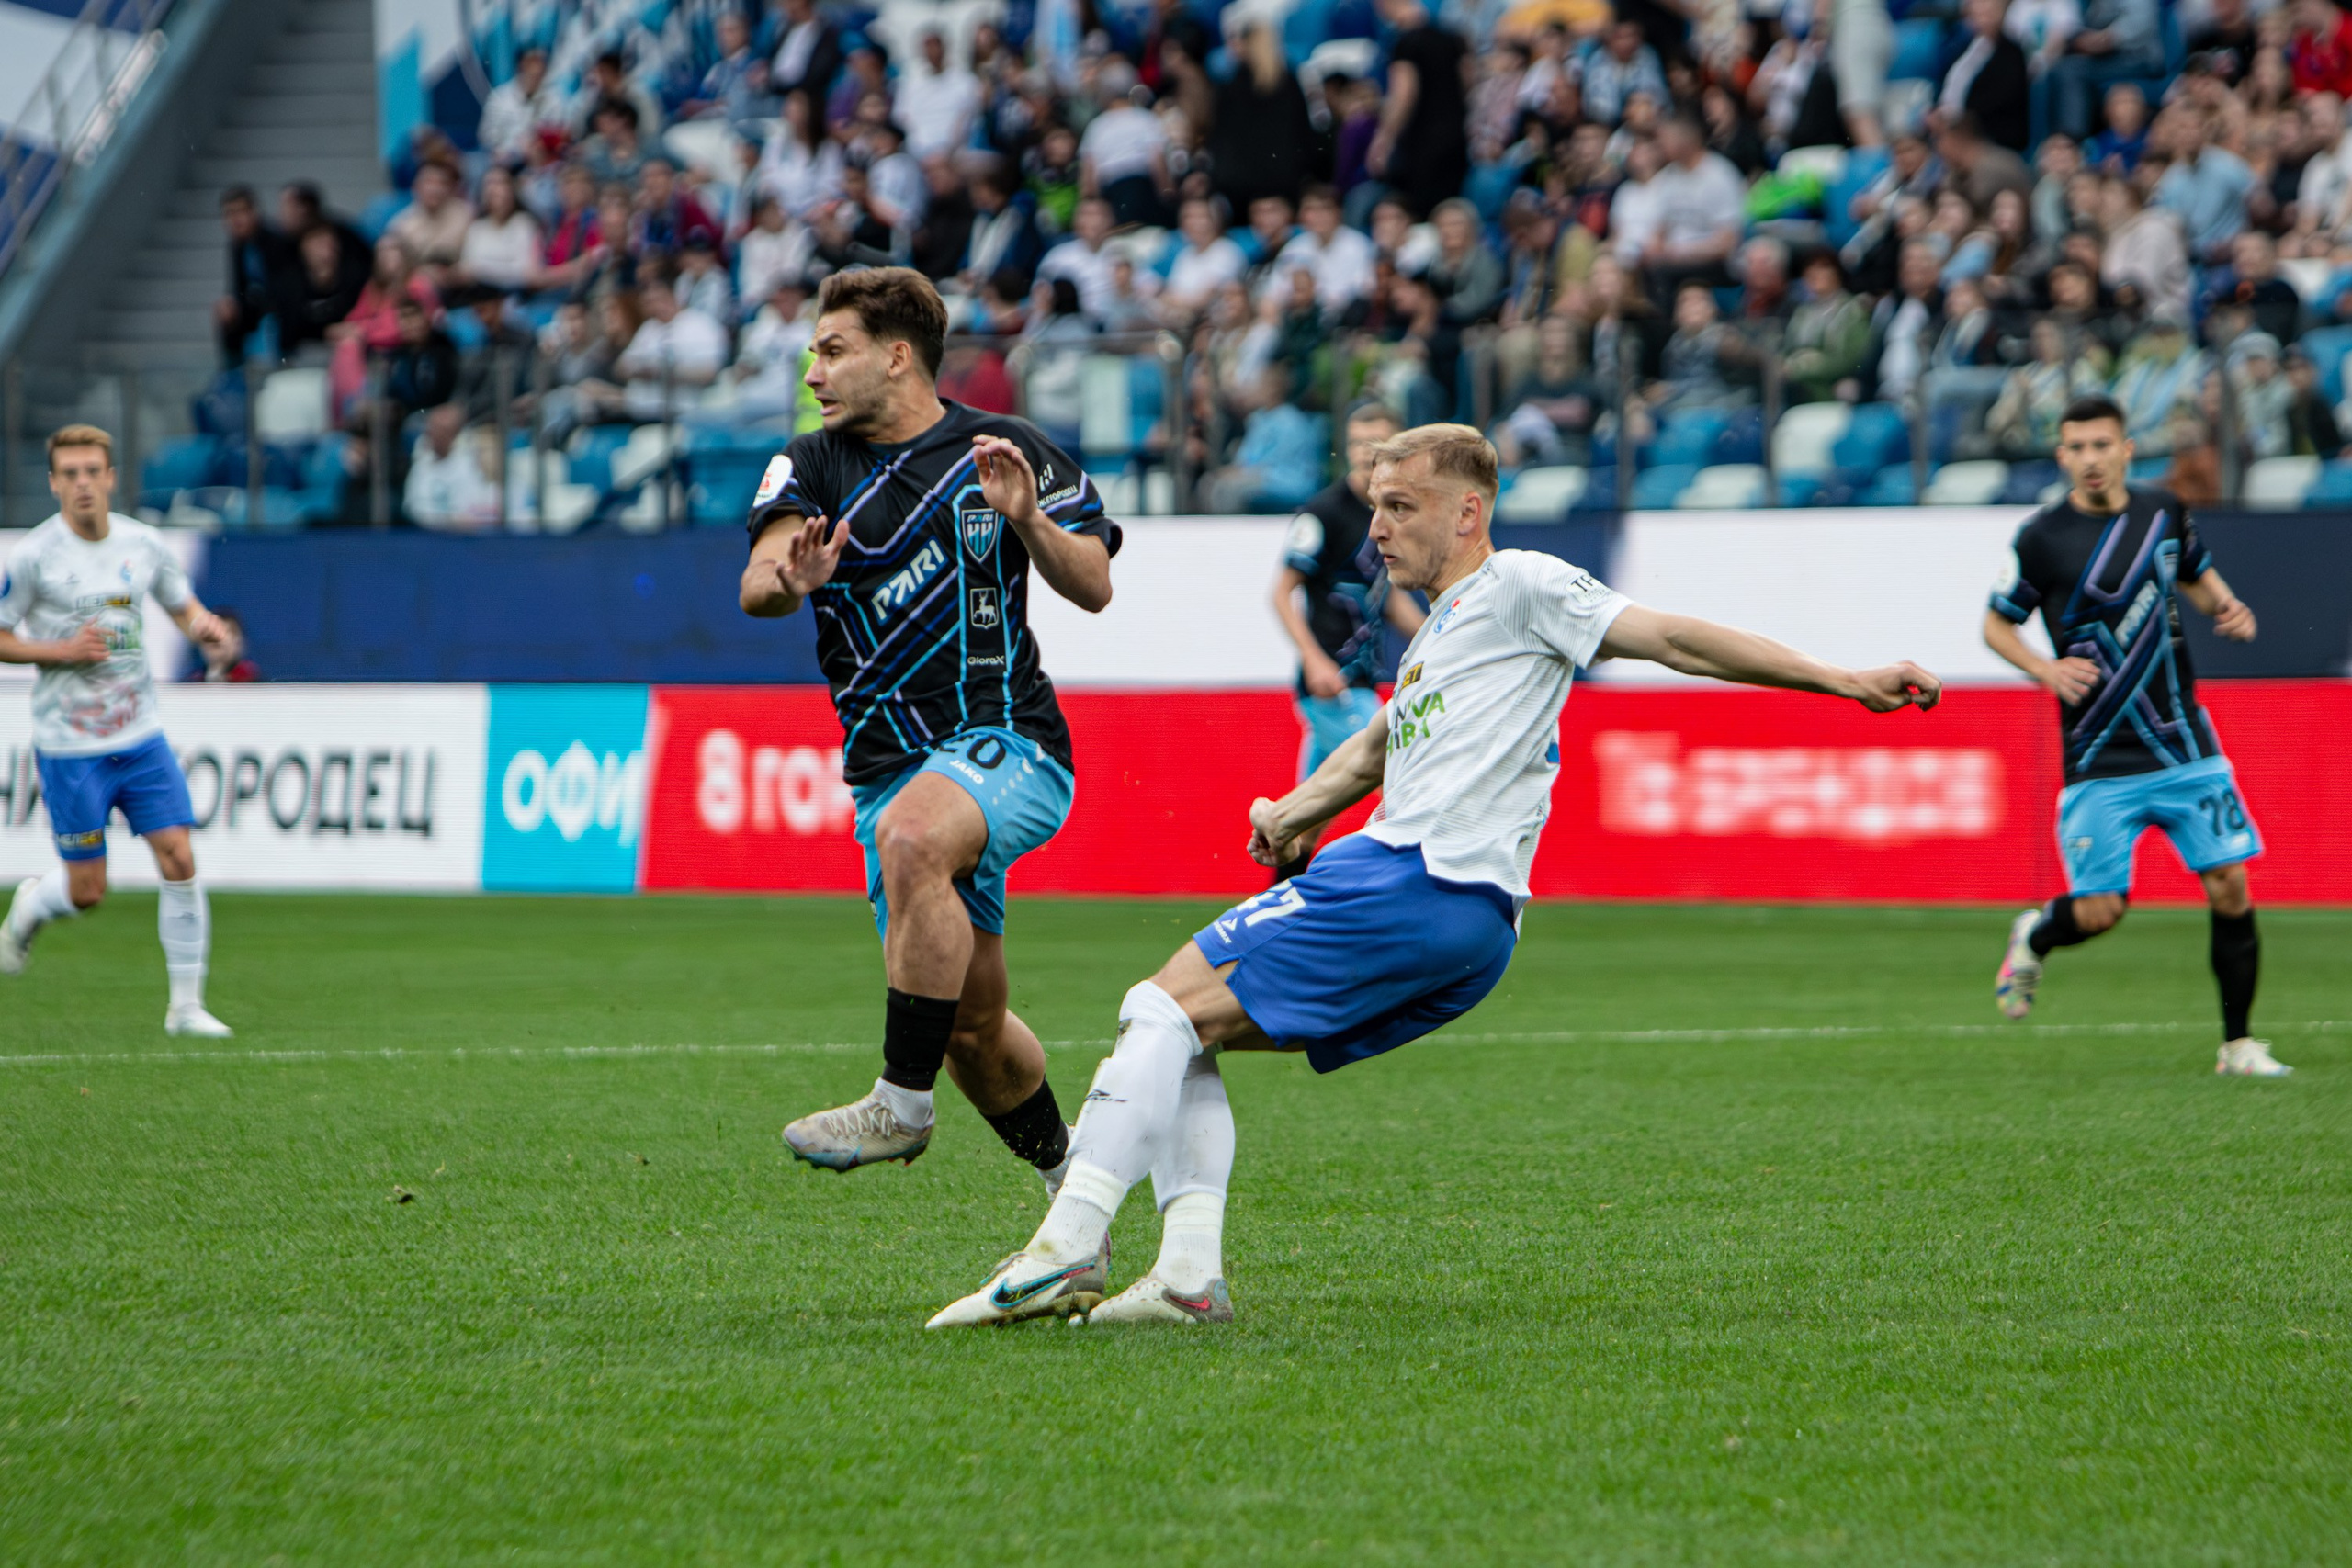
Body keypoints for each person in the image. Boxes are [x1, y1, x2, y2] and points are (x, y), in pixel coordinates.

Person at [923, 423, 1941, 1328]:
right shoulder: (1443, 634)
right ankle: (1189, 1276)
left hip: (1419, 881)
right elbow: (1371, 752)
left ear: (1469, 510)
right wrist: (1292, 814)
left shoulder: (1522, 584)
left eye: (1400, 507)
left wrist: (1842, 679)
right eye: (1372, 507)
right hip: (1455, 913)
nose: (1376, 529)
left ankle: (1065, 1246)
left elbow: (1670, 637)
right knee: (1188, 1036)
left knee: (1154, 1008)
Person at [737, 267, 1120, 1185]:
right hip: (884, 768)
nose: (814, 374)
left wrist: (1029, 519)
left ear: (897, 356)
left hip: (1009, 741)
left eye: (833, 352)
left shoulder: (1006, 449)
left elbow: (1095, 586)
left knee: (915, 836)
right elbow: (755, 582)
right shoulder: (810, 462)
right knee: (969, 1030)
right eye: (810, 356)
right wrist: (789, 580)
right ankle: (1079, 1200)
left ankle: (899, 1107)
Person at [1986, 395, 2284, 1077]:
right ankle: (2037, 932)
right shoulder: (2040, 537)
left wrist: (2227, 606)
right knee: (2100, 911)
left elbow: (2198, 577)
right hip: (2097, 755)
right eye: (2076, 447)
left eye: (2101, 445)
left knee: (2230, 883)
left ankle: (2238, 1044)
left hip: (2183, 744)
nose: (2090, 459)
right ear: (2061, 456)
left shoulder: (2163, 511)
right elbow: (1997, 624)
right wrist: (2042, 667)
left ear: (2126, 448)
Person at [0, 426, 236, 1036]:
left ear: (110, 477)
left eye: (92, 471)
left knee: (179, 855)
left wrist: (207, 630)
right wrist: (60, 650)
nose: (81, 483)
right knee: (87, 890)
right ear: (53, 482)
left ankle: (185, 1007)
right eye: (69, 473)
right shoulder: (32, 557)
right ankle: (31, 906)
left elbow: (183, 606)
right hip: (70, 746)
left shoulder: (144, 544)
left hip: (139, 735)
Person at [1268, 404, 1425, 880]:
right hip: (1331, 687)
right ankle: (1420, 899)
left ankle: (1268, 915)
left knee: (1303, 826)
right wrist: (1314, 662)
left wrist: (1438, 640)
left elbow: (1387, 597)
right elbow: (1280, 592)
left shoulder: (1389, 515)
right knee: (1397, 775)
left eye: (1376, 444)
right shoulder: (1325, 512)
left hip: (1359, 679)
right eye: (1357, 443)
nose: (1364, 454)